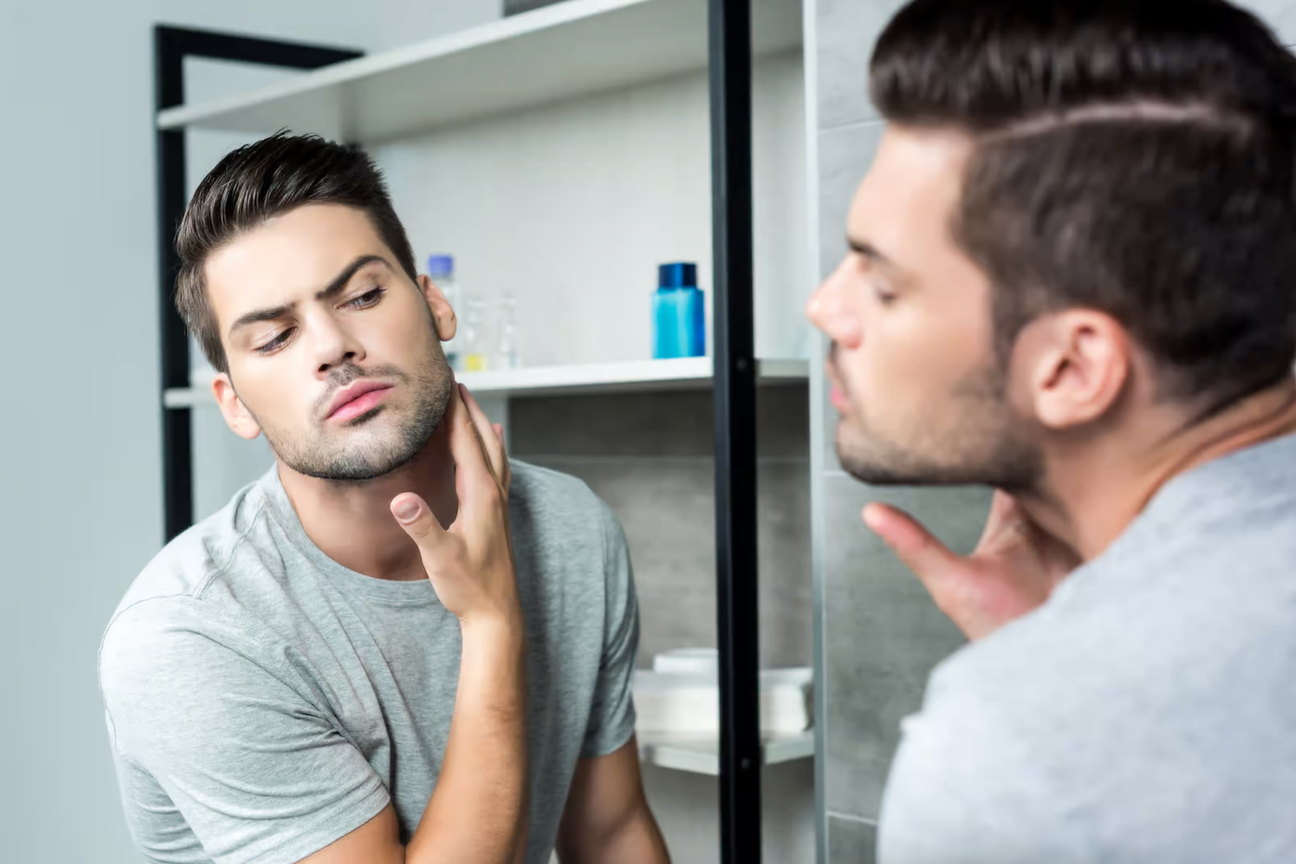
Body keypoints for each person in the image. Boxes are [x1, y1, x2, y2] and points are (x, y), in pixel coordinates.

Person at [806, 0, 1296, 861]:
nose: (825, 308)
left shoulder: (1010, 752)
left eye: (883, 285)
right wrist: (1069, 645)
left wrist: (1058, 696)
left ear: (1070, 369)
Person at [99, 133, 670, 864]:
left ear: (435, 306)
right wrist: (492, 621)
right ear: (233, 404)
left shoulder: (571, 528)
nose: (333, 345)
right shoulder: (192, 637)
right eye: (274, 338)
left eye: (364, 295)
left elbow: (612, 832)